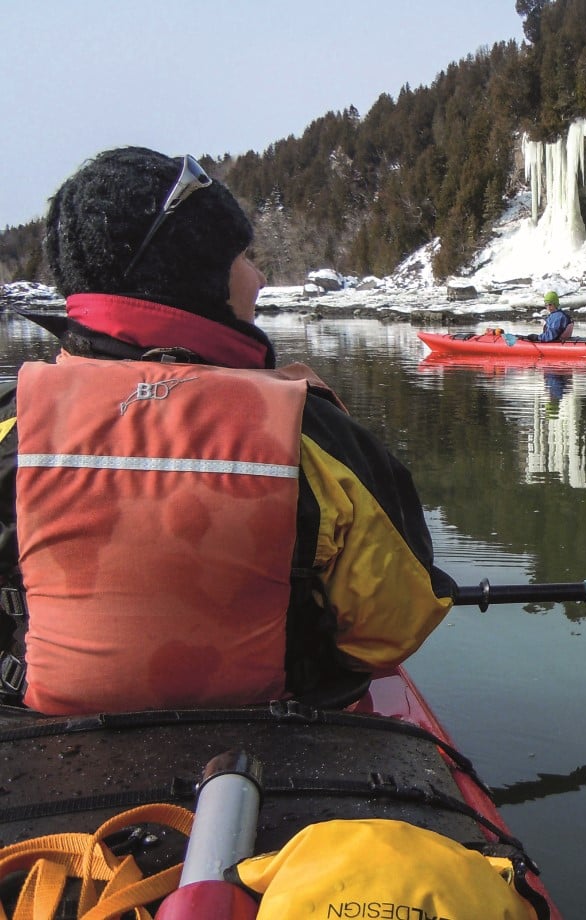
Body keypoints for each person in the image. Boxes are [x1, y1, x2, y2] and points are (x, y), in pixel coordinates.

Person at [0, 147, 456, 715]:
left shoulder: (12, 427)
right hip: (284, 739)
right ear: (191, 276)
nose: (259, 278)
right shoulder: (312, 435)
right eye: (241, 257)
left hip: (46, 743)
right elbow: (395, 627)